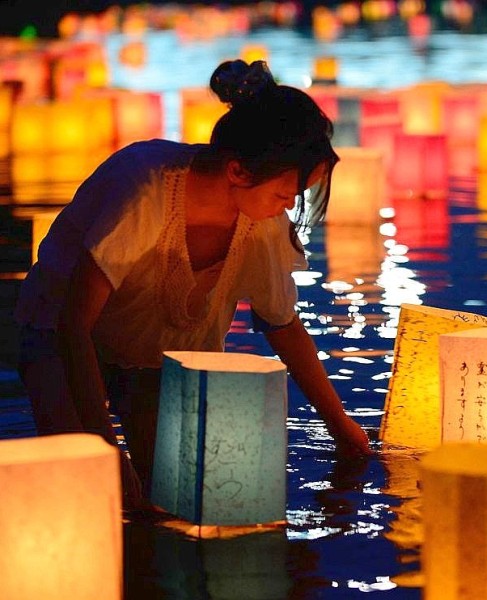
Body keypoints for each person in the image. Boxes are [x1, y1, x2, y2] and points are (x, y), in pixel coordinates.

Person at [14, 59, 371, 509]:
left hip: (152, 357)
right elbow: (73, 324)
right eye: (284, 194)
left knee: (175, 494)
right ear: (239, 171)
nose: (286, 208)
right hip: (58, 340)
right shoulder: (145, 191)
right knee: (89, 490)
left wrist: (342, 428)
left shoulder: (260, 221)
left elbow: (282, 324)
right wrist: (105, 452)